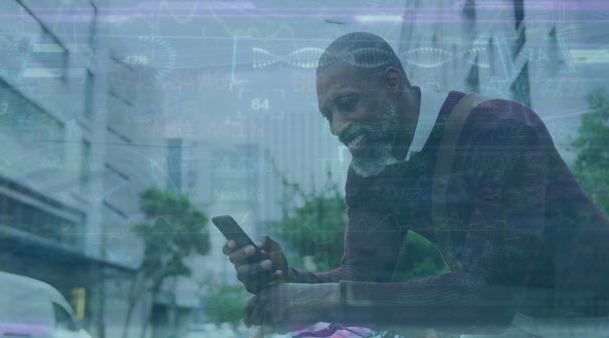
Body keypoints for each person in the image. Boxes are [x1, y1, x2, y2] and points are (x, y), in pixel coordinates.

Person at [222, 32, 609, 337]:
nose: (338, 128)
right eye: (328, 116)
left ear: (392, 82)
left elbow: (488, 297)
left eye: (348, 104)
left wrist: (322, 298)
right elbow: (361, 279)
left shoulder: (500, 130)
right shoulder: (371, 168)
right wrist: (289, 284)